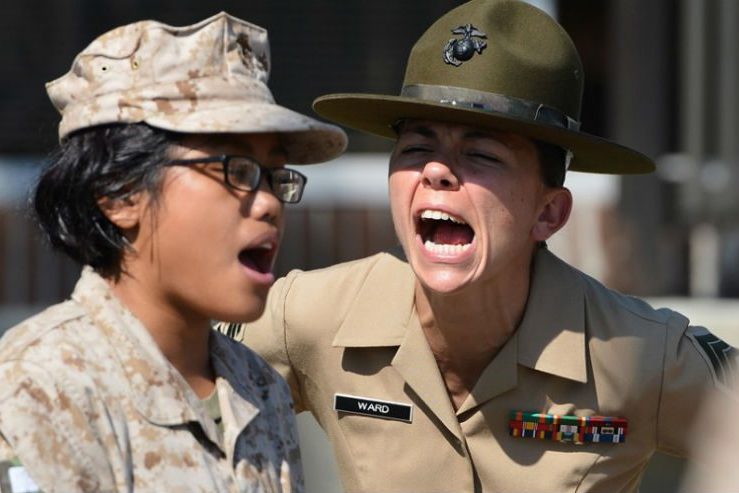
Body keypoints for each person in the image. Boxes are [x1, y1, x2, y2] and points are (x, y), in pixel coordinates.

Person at [218, 1, 736, 492]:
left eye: (482, 155)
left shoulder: (640, 354)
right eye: (418, 148)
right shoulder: (310, 316)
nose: (438, 171)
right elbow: (157, 370)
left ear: (549, 213)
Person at [0, 12, 346, 493]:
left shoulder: (258, 386)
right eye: (237, 169)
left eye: (273, 175)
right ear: (120, 192)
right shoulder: (38, 385)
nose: (268, 202)